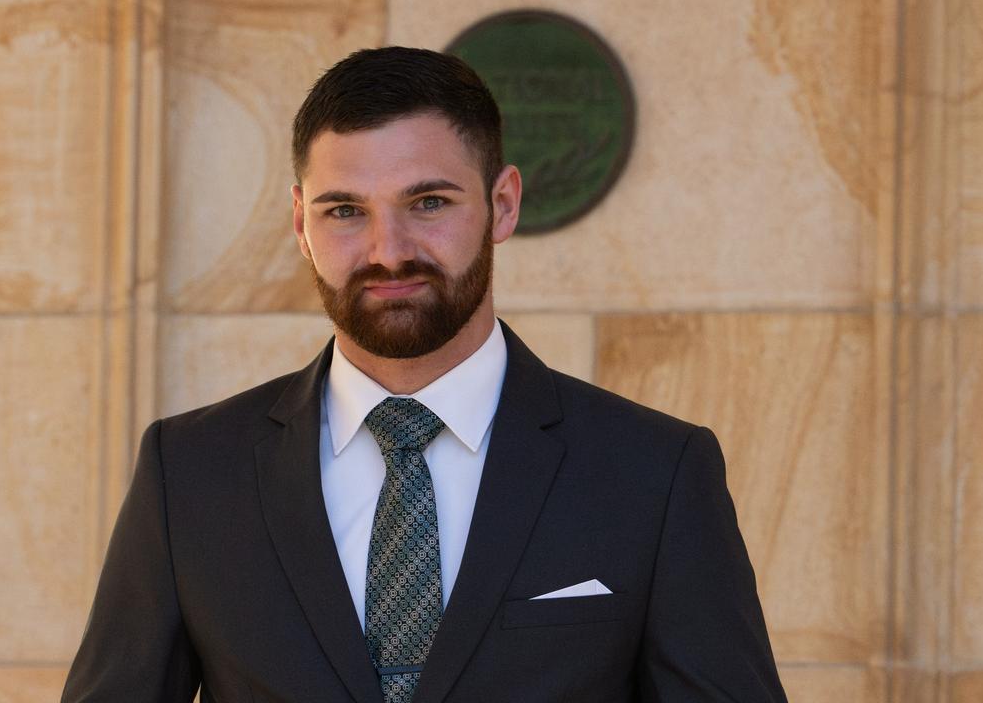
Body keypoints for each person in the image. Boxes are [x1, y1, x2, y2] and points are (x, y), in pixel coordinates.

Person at [62, 46, 787, 703]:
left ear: (502, 205)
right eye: (344, 210)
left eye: (428, 202)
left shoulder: (654, 474)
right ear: (299, 225)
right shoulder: (188, 473)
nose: (388, 250)